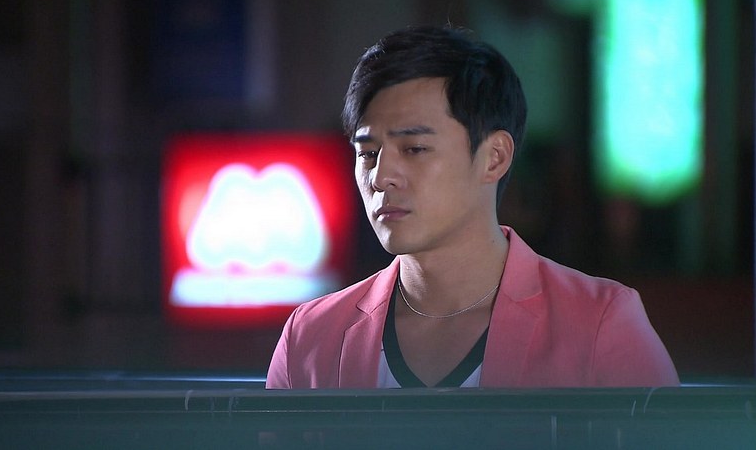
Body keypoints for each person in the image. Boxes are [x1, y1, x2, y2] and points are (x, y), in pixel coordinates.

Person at [266, 25, 679, 388]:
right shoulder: (311, 338)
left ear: (494, 157)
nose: (381, 176)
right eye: (368, 153)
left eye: (414, 148)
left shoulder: (599, 324)